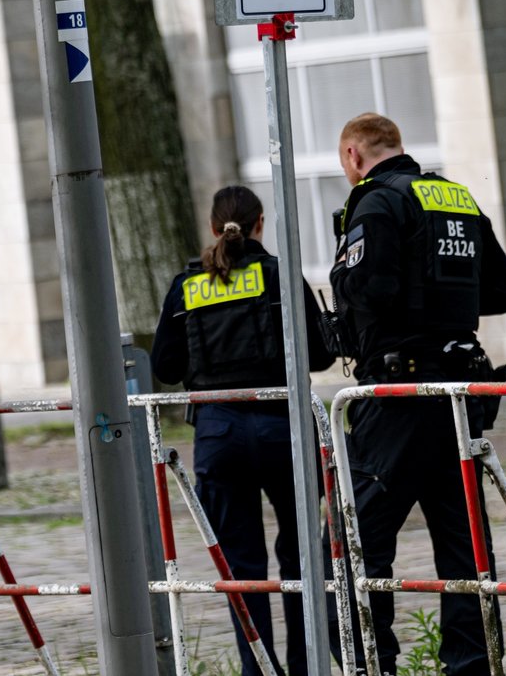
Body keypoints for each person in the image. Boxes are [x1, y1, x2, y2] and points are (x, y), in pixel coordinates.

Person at [328, 113, 506, 676]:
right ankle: (471, 666)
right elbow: (503, 291)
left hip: (400, 397)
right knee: (464, 549)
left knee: (353, 542)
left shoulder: (374, 202)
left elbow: (374, 286)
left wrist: (345, 280)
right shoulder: (455, 196)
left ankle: (370, 664)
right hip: (461, 394)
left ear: (353, 156)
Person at [151, 186, 335, 676]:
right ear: (259, 224)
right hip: (282, 432)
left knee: (240, 568)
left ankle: (258, 671)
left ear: (214, 228)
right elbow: (320, 355)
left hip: (218, 436)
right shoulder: (277, 275)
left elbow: (166, 367)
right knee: (301, 563)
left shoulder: (186, 285)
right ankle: (307, 668)